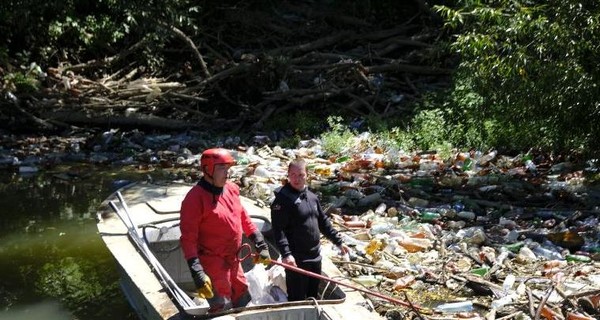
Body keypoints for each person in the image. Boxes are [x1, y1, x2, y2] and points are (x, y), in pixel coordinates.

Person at [180, 148, 271, 312]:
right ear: (208, 169)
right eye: (222, 169)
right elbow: (188, 240)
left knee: (244, 299)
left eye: (228, 169)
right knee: (220, 309)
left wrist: (260, 244)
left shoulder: (231, 189)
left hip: (234, 261)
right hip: (212, 264)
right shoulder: (194, 199)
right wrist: (197, 272)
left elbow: (244, 219)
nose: (227, 173)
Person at [270, 157, 350, 301]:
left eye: (301, 175)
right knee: (297, 299)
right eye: (293, 175)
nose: (296, 179)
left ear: (307, 175)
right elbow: (278, 230)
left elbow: (322, 222)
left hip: (315, 257)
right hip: (296, 260)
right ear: (288, 175)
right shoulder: (282, 201)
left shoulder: (312, 197)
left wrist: (338, 241)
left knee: (313, 297)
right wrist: (286, 254)